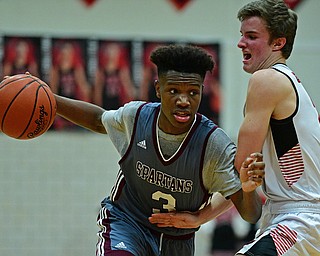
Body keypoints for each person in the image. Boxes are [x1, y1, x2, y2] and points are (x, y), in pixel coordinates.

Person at [52, 44, 265, 256]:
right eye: (173, 91)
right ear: (157, 89)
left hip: (177, 240)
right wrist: (52, 100)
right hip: (127, 224)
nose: (183, 101)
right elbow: (99, 119)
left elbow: (251, 213)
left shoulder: (214, 144)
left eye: (193, 92)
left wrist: (247, 188)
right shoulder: (136, 117)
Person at [151, 1, 320, 255]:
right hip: (289, 217)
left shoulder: (267, 80)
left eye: (251, 37)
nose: (241, 43)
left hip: (301, 219)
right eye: (242, 35)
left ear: (278, 43)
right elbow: (243, 179)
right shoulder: (289, 83)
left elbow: (239, 168)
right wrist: (202, 217)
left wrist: (197, 197)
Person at [49, 40, 91, 130]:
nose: (66, 56)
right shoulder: (55, 70)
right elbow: (52, 92)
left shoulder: (76, 68)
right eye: (64, 53)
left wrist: (85, 111)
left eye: (68, 53)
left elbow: (84, 88)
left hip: (73, 102)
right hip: (60, 102)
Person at [93, 41, 136, 110]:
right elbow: (98, 88)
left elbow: (127, 84)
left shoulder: (122, 69)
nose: (112, 54)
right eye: (110, 52)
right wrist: (98, 103)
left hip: (118, 100)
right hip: (106, 100)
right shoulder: (101, 69)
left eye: (114, 52)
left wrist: (131, 97)